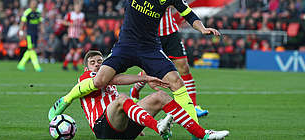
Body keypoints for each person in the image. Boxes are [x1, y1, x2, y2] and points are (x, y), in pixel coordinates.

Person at [49, 0, 227, 138]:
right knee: (100, 80)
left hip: (150, 49)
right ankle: (66, 99)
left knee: (177, 83)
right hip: (125, 46)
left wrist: (202, 28)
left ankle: (198, 134)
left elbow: (188, 13)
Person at [53, 50, 229, 139]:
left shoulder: (107, 75)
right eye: (93, 63)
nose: (98, 65)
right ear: (87, 68)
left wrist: (146, 79)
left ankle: (202, 134)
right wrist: (145, 77)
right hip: (102, 128)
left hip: (121, 127)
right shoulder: (86, 77)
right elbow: (115, 80)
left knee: (161, 96)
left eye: (100, 61)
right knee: (123, 98)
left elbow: (116, 79)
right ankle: (157, 125)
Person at [129, 0, 208, 117]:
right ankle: (135, 90)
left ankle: (192, 106)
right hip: (152, 36)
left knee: (184, 67)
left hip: (170, 33)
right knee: (150, 72)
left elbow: (184, 9)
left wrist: (202, 27)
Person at [17, 0, 44, 72]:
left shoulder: (38, 12)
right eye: (33, 3)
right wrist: (21, 32)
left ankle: (21, 64)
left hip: (35, 33)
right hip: (29, 33)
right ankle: (37, 67)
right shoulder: (27, 12)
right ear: (30, 4)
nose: (34, 4)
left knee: (30, 49)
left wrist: (42, 30)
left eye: (35, 3)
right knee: (32, 49)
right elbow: (22, 22)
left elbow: (40, 22)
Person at [62, 2, 86, 71]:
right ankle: (74, 65)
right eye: (77, 7)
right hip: (72, 36)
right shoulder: (70, 14)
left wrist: (82, 27)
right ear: (74, 7)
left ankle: (65, 65)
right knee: (79, 50)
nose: (78, 8)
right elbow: (63, 22)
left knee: (72, 51)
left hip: (78, 36)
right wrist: (70, 24)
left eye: (79, 7)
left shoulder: (82, 15)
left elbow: (83, 24)